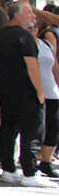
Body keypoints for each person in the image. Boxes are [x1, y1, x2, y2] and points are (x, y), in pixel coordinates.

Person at [0, 1, 49, 187]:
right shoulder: (24, 37)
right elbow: (32, 66)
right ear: (17, 16)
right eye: (29, 12)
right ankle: (30, 173)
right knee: (31, 132)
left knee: (8, 130)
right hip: (25, 93)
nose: (33, 15)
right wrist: (40, 92)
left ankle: (9, 169)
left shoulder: (0, 36)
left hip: (6, 92)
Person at [33, 10, 59, 178]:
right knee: (38, 128)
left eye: (35, 25)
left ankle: (46, 161)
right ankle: (35, 160)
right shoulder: (29, 42)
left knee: (53, 127)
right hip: (38, 91)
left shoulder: (47, 44)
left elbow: (54, 65)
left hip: (52, 90)